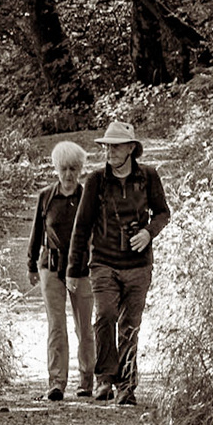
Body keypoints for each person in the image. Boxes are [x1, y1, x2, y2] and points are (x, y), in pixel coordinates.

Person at [67, 120, 169, 407]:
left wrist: (148, 233)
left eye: (115, 146)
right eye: (106, 146)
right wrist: (74, 270)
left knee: (130, 326)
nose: (109, 151)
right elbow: (82, 227)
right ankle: (104, 379)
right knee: (105, 316)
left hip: (138, 266)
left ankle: (126, 386)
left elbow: (163, 213)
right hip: (103, 263)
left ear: (130, 149)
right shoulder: (96, 181)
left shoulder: (148, 177)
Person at [26, 141, 95, 401]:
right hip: (51, 268)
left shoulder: (88, 195)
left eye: (74, 169)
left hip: (81, 269)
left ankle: (87, 380)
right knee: (56, 325)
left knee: (84, 326)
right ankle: (56, 382)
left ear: (81, 170)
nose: (69, 175)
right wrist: (31, 264)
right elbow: (36, 232)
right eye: (64, 169)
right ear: (56, 168)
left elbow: (96, 233)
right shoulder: (46, 196)